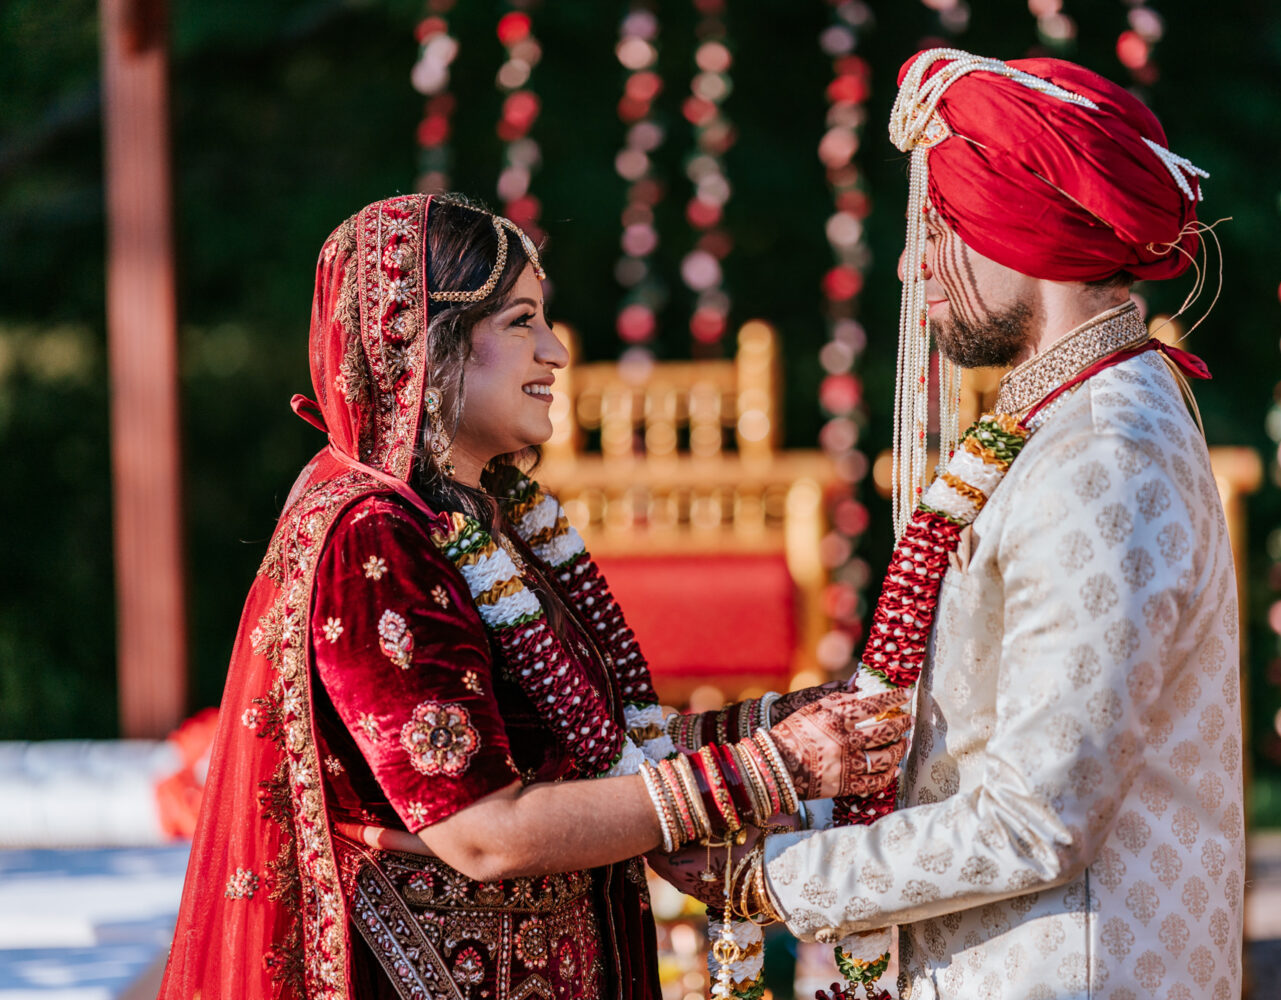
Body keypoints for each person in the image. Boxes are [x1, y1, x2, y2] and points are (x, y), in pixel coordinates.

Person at [156, 193, 910, 1000]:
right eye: (521, 322)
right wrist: (768, 769)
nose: (554, 351)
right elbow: (484, 832)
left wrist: (789, 725)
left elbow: (589, 748)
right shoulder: (375, 537)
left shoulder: (473, 515)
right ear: (426, 345)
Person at [666, 50, 1245, 1000]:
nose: (907, 264)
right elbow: (969, 719)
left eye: (935, 230)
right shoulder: (1061, 418)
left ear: (1026, 232)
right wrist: (744, 744)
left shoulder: (1103, 450)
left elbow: (1036, 818)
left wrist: (763, 880)